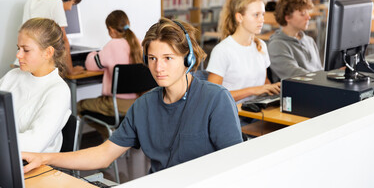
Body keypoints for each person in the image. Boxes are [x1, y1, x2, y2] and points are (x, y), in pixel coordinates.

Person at [22, 18, 243, 174]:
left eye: (168, 58)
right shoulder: (144, 105)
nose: (159, 68)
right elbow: (104, 154)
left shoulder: (216, 99)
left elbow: (236, 165)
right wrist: (46, 157)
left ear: (189, 60)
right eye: (152, 58)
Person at [0, 18, 71, 153]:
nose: (18, 54)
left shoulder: (58, 91)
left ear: (48, 53)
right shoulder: (13, 75)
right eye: (18, 48)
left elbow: (34, 144)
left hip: (34, 166)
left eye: (26, 50)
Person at [206, 0, 280, 103]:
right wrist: (253, 90)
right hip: (234, 115)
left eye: (263, 14)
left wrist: (273, 89)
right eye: (256, 15)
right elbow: (213, 96)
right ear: (239, 17)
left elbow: (264, 81)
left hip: (257, 110)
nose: (262, 20)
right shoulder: (222, 50)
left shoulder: (261, 45)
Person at [77, 10, 142, 117]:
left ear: (111, 30)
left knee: (79, 106)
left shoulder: (112, 45)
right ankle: (116, 133)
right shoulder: (140, 43)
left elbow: (90, 64)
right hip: (140, 103)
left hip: (116, 105)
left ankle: (111, 134)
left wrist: (94, 53)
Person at [22, 0, 84, 75]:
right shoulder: (57, 3)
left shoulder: (32, 1)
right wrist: (71, 70)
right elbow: (64, 41)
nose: (70, 8)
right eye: (72, 3)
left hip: (22, 61)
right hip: (39, 67)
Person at [268, 0, 322, 82]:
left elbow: (319, 69)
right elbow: (296, 75)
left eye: (308, 13)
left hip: (317, 86)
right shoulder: (277, 45)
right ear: (288, 17)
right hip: (300, 90)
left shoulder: (309, 40)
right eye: (302, 14)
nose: (308, 17)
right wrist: (325, 78)